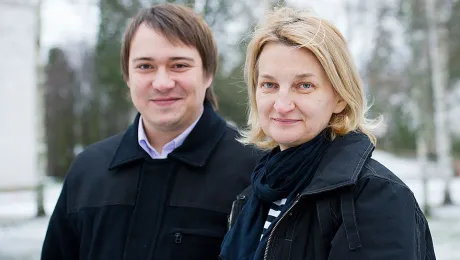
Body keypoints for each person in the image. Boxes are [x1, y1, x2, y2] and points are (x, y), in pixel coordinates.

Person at [41, 3, 261, 260]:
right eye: (145, 66)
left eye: (179, 65)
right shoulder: (87, 171)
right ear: (127, 76)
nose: (162, 83)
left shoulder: (254, 173)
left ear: (208, 73)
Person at [220, 6, 436, 260]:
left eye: (304, 85)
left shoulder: (377, 197)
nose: (282, 104)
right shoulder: (255, 194)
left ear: (340, 98)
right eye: (269, 84)